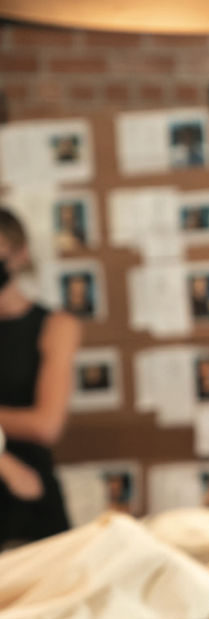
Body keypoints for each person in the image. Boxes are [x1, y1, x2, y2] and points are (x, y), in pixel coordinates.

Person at [0, 207, 82, 549]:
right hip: (12, 472)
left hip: (31, 495)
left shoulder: (55, 326)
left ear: (20, 255)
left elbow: (46, 425)